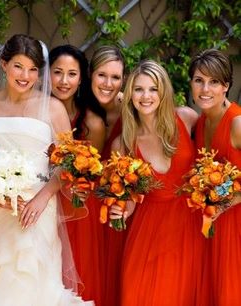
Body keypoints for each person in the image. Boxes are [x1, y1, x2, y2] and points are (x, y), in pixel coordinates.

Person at [0, 34, 93, 306]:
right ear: (3, 65)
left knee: (31, 281)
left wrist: (43, 197)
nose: (25, 76)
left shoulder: (53, 107)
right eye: (18, 66)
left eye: (33, 70)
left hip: (36, 209)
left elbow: (69, 162)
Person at [111, 60, 203, 305]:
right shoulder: (123, 143)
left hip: (190, 226)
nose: (146, 96)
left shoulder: (186, 118)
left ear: (163, 92)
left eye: (153, 89)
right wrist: (120, 210)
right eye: (139, 89)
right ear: (130, 94)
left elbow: (215, 158)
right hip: (148, 231)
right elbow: (129, 198)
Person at [49, 44, 105, 304]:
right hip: (42, 204)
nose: (63, 81)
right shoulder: (33, 113)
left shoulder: (92, 123)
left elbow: (93, 173)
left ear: (81, 78)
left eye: (72, 74)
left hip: (77, 208)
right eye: (57, 72)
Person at [190, 49, 241, 305]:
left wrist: (221, 199)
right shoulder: (200, 123)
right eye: (199, 80)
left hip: (236, 226)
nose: (205, 89)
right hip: (213, 226)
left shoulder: (237, 124)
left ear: (226, 86)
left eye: (214, 82)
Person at [88, 45, 125, 306]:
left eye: (115, 77)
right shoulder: (82, 108)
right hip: (87, 208)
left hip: (119, 208)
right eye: (102, 75)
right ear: (90, 75)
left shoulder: (135, 107)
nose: (107, 83)